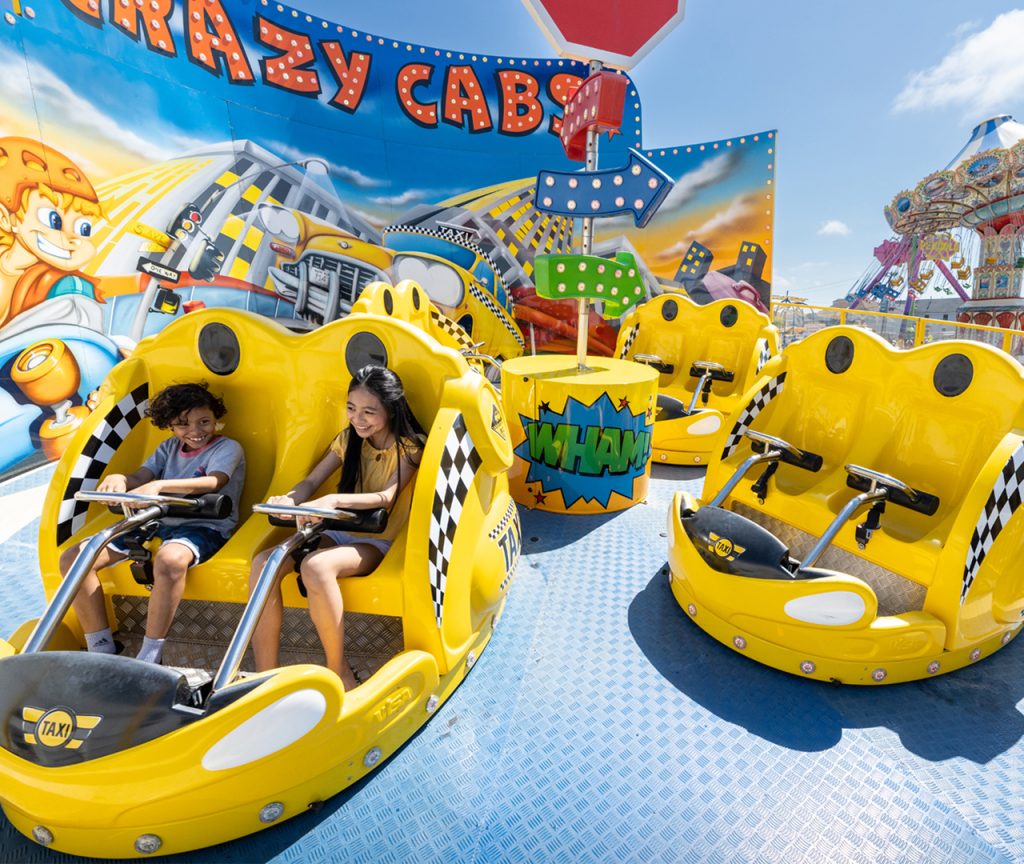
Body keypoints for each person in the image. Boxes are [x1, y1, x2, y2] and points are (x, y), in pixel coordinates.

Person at [248, 365, 422, 690]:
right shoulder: (348, 439)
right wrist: (289, 500)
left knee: (316, 566)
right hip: (339, 532)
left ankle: (338, 671)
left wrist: (333, 500)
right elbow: (311, 481)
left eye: (369, 411)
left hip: (380, 541)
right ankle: (264, 675)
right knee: (264, 563)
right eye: (352, 408)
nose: (358, 418)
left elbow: (386, 498)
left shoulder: (409, 447)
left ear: (390, 409)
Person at [60, 382, 245, 664]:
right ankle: (101, 647)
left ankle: (150, 655)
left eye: (204, 422)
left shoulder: (227, 447)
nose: (195, 431)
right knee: (74, 557)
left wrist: (159, 486)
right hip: (157, 522)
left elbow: (214, 481)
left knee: (170, 560)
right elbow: (140, 477)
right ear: (170, 426)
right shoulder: (168, 448)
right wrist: (119, 479)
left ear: (215, 418)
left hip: (204, 525)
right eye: (183, 425)